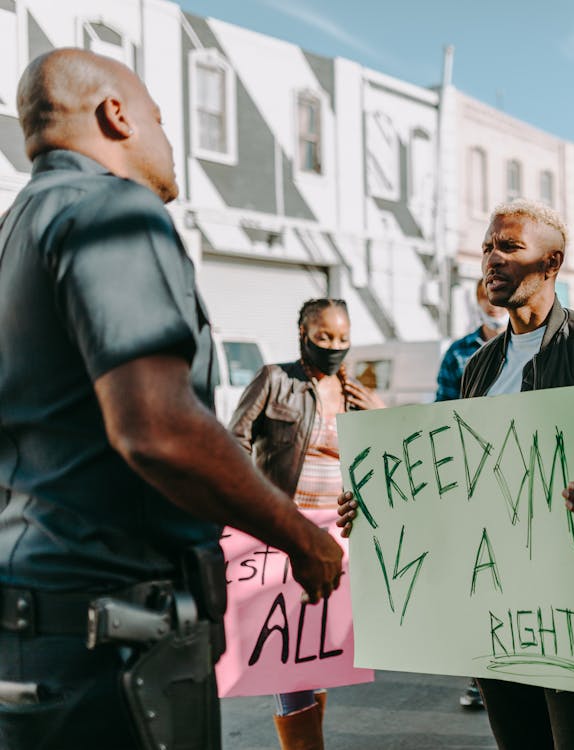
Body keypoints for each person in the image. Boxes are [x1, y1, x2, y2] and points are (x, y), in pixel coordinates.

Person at [0, 49, 343, 750]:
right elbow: (157, 428)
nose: (166, 137)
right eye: (158, 117)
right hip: (112, 648)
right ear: (115, 115)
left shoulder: (15, 232)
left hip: (33, 633)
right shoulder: (110, 207)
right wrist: (301, 539)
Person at [340, 198, 574, 749]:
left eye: (510, 247)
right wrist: (377, 505)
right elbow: (458, 481)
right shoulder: (480, 367)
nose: (492, 259)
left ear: (551, 263)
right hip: (493, 603)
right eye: (488, 247)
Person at [229, 298, 382, 749]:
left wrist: (379, 414)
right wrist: (260, 509)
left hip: (339, 540)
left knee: (318, 657)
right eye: (323, 337)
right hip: (285, 536)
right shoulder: (275, 380)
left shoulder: (354, 391)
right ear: (303, 335)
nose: (334, 346)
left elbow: (384, 458)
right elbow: (234, 440)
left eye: (342, 338)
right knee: (287, 656)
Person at [435, 279, 507, 710]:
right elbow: (442, 412)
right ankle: (482, 676)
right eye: (484, 297)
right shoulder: (459, 353)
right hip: (472, 481)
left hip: (518, 476)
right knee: (481, 579)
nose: (491, 306)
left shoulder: (538, 347)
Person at [435, 278, 508, 404]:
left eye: (499, 296)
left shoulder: (526, 346)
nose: (492, 303)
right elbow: (443, 405)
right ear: (478, 301)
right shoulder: (457, 352)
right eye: (486, 296)